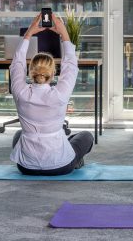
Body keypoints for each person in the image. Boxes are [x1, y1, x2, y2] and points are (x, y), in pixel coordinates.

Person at [9, 13, 93, 176]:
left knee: (19, 134)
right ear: (53, 73)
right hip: (60, 166)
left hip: (26, 167)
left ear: (30, 71)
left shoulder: (20, 91)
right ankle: (73, 158)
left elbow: (16, 64)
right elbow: (71, 65)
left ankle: (61, 144)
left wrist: (29, 34)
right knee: (86, 136)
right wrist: (64, 33)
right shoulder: (60, 94)